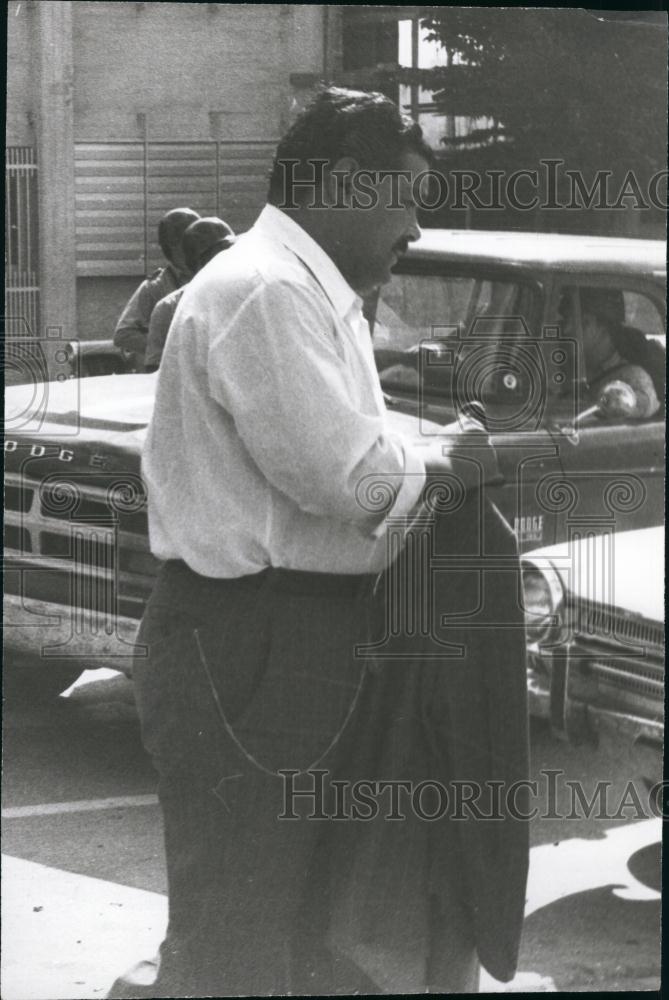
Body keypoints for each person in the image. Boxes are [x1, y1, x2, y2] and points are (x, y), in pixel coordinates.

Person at [108, 88, 529, 997]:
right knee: (237, 929)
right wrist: (448, 459)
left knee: (295, 921)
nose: (415, 227)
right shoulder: (264, 290)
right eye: (408, 196)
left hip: (285, 637)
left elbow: (354, 455)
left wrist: (419, 455)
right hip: (251, 642)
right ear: (342, 181)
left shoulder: (307, 289)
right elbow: (351, 480)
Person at [143, 217, 235, 372]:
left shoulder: (250, 297)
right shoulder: (169, 308)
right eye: (221, 254)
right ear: (198, 263)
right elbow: (156, 374)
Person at [113, 207, 200, 371]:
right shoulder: (155, 287)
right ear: (173, 246)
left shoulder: (207, 275)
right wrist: (164, 345)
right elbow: (123, 334)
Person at [562, 286, 663, 417]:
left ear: (606, 328)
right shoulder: (568, 367)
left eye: (582, 323)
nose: (566, 330)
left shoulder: (633, 377)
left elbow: (643, 408)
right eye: (566, 321)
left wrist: (618, 403)